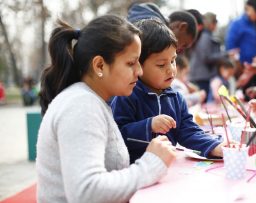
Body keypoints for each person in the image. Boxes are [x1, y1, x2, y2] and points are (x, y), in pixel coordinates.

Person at [36, 15, 176, 203]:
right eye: (131, 63)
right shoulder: (81, 106)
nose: (140, 71)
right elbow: (86, 191)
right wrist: (151, 164)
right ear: (99, 65)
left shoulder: (93, 101)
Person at [111, 19, 224, 164]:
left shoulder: (176, 98)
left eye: (173, 60)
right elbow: (117, 137)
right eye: (161, 64)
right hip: (136, 172)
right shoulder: (126, 96)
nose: (170, 69)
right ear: (138, 65)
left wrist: (215, 147)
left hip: (168, 169)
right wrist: (149, 125)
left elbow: (188, 131)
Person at [225, 0, 256, 100]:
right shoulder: (237, 24)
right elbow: (231, 47)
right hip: (245, 67)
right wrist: (238, 65)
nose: (247, 13)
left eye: (249, 9)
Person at [189, 12, 236, 99]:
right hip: (201, 76)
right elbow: (206, 57)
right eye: (215, 22)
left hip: (200, 75)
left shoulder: (203, 35)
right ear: (211, 23)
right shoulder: (205, 36)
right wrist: (226, 54)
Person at [127, 2, 197, 53]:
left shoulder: (142, 18)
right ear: (182, 27)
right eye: (184, 45)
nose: (179, 49)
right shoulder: (153, 32)